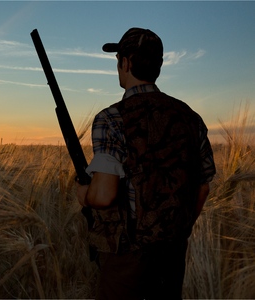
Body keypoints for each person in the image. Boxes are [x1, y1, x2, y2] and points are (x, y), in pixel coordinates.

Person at [76, 27, 216, 300]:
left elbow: (104, 195)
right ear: (158, 66)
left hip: (127, 257)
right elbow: (203, 187)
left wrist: (83, 194)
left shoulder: (112, 118)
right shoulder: (191, 117)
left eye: (119, 59)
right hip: (173, 251)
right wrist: (178, 229)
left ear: (125, 63)